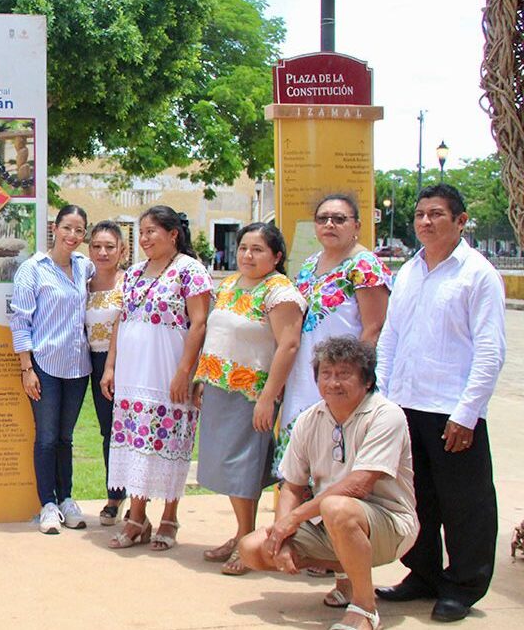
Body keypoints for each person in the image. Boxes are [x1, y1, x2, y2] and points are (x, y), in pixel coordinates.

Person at [374, 184, 506, 623]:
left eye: (436, 214)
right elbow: (390, 337)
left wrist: (467, 413)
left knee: (464, 504)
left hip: (453, 411)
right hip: (406, 405)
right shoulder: (409, 271)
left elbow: (490, 350)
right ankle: (423, 574)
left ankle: (463, 586)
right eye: (419, 215)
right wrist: (385, 400)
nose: (425, 222)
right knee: (417, 499)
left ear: (461, 220)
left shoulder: (478, 273)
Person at [238, 337, 418, 630]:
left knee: (337, 508)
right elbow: (292, 486)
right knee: (251, 549)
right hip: (332, 523)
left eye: (344, 374)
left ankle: (365, 609)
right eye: (326, 374)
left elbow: (359, 485)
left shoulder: (386, 415)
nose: (333, 382)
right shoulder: (309, 419)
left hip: (389, 524)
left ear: (367, 380)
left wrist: (294, 519)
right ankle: (348, 578)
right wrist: (282, 536)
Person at [279, 194, 392, 601]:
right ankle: (310, 551)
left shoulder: (365, 265)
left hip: (344, 387)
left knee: (340, 476)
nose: (330, 225)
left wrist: (351, 383)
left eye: (339, 218)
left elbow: (373, 329)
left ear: (356, 225)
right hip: (305, 382)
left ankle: (350, 577)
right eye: (323, 218)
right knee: (304, 468)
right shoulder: (309, 265)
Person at [194, 222, 305, 575]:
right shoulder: (228, 284)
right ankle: (241, 533)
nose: (247, 255)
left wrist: (268, 398)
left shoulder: (279, 292)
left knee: (244, 466)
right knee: (226, 465)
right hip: (218, 388)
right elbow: (218, 333)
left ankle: (247, 540)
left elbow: (288, 344)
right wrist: (201, 377)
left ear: (276, 256)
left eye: (257, 249)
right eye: (243, 247)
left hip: (251, 392)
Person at [101, 207, 212, 550]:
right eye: (142, 232)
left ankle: (169, 517)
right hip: (133, 373)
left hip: (167, 371)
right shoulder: (133, 273)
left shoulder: (189, 271)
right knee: (136, 443)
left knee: (168, 442)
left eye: (152, 231)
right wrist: (110, 367)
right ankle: (136, 518)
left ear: (173, 234)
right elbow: (122, 320)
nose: (146, 238)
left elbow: (200, 322)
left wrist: (184, 372)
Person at [9, 204, 93, 534]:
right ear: (54, 229)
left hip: (78, 366)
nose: (73, 235)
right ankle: (47, 504)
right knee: (45, 437)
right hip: (44, 365)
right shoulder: (33, 269)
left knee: (65, 437)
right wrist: (26, 367)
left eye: (79, 230)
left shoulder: (84, 267)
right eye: (67, 228)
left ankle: (67, 499)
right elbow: (19, 319)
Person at [83, 220, 127, 525]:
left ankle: (120, 497)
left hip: (123, 364)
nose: (102, 252)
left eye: (109, 247)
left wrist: (111, 366)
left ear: (122, 250)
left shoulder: (130, 282)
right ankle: (115, 491)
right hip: (90, 362)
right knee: (106, 430)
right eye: (97, 246)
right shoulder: (81, 284)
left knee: (125, 430)